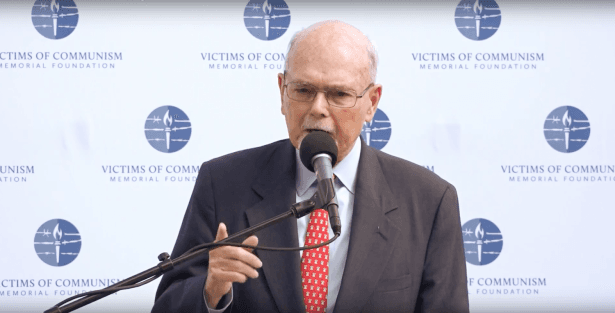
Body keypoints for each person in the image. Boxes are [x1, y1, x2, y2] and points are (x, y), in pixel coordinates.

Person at [152, 20, 469, 313]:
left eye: (339, 94)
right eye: (303, 90)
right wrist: (210, 291)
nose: (317, 109)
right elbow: (169, 302)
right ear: (282, 92)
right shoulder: (223, 182)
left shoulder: (429, 200)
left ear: (371, 102)